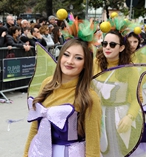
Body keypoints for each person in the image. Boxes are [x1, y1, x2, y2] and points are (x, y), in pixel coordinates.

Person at [23, 38, 102, 157]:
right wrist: (26, 154)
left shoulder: (89, 96)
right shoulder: (47, 84)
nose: (70, 61)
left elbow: (93, 145)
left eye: (78, 58)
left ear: (86, 64)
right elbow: (35, 128)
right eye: (66, 55)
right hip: (38, 152)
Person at [93, 29, 144, 157]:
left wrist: (130, 117)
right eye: (105, 44)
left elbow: (138, 97)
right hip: (97, 117)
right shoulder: (95, 63)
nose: (107, 47)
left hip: (120, 119)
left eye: (112, 44)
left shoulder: (130, 69)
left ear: (121, 48)